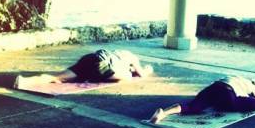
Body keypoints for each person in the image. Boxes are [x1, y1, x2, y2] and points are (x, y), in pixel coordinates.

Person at [148, 75, 255, 124]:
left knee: (192, 106)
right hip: (227, 93)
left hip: (213, 88)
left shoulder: (234, 77)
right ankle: (222, 105)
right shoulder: (251, 85)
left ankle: (163, 113)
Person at [13, 48, 153, 90]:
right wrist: (148, 69)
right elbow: (141, 74)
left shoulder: (119, 54)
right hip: (102, 62)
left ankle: (24, 81)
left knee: (57, 77)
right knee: (128, 77)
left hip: (90, 58)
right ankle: (24, 82)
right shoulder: (131, 57)